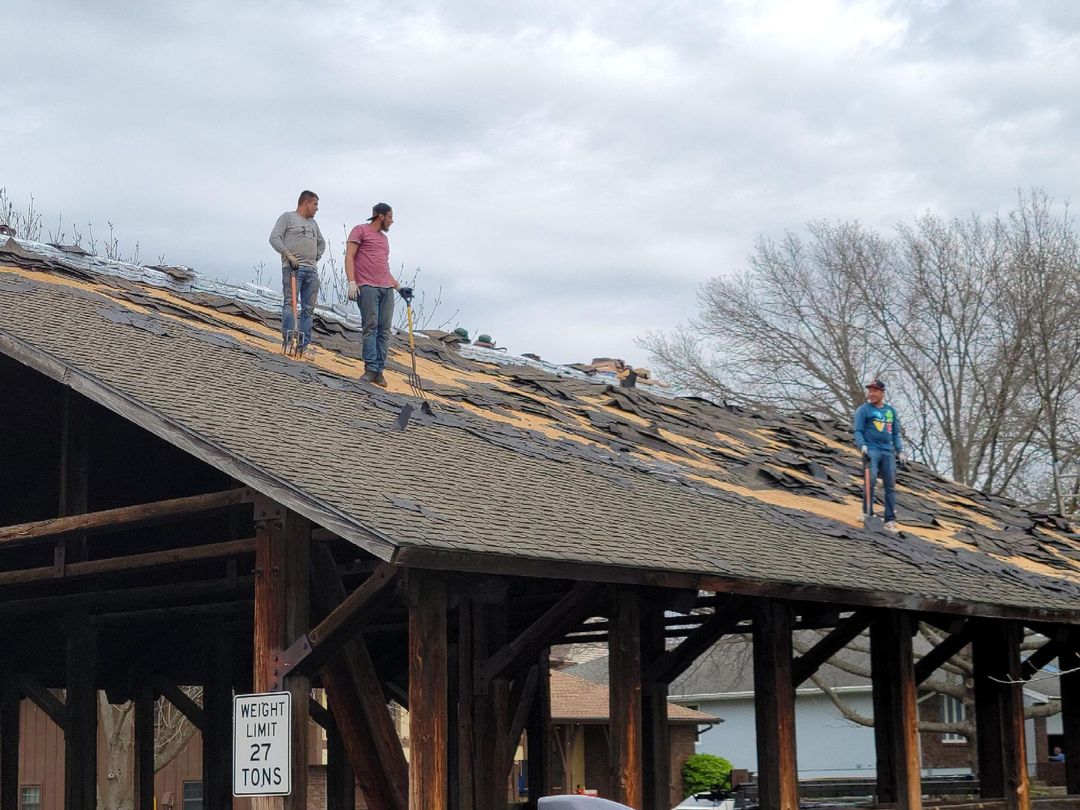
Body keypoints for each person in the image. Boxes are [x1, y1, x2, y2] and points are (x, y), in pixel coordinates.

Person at [346, 202, 402, 386]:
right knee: (371, 327)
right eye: (390, 217)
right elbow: (350, 256)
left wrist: (398, 287)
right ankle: (370, 368)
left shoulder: (384, 240)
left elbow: (383, 267)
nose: (392, 221)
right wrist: (351, 282)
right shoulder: (360, 230)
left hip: (386, 288)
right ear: (381, 216)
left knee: (384, 330)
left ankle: (379, 370)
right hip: (367, 287)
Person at [269, 191, 325, 353]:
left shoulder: (314, 224)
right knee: (290, 304)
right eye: (315, 204)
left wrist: (316, 256)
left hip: (311, 271)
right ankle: (288, 342)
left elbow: (321, 243)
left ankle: (302, 347)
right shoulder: (288, 218)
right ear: (306, 203)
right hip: (293, 269)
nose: (317, 209)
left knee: (308, 308)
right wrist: (288, 255)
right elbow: (274, 238)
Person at [853, 378, 907, 533]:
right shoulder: (864, 410)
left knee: (890, 485)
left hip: (887, 451)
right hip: (871, 449)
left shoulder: (890, 411)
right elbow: (858, 430)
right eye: (870, 390)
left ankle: (889, 519)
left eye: (875, 390)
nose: (871, 394)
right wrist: (862, 445)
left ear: (882, 392)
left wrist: (900, 450)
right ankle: (867, 512)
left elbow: (895, 433)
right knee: (871, 480)